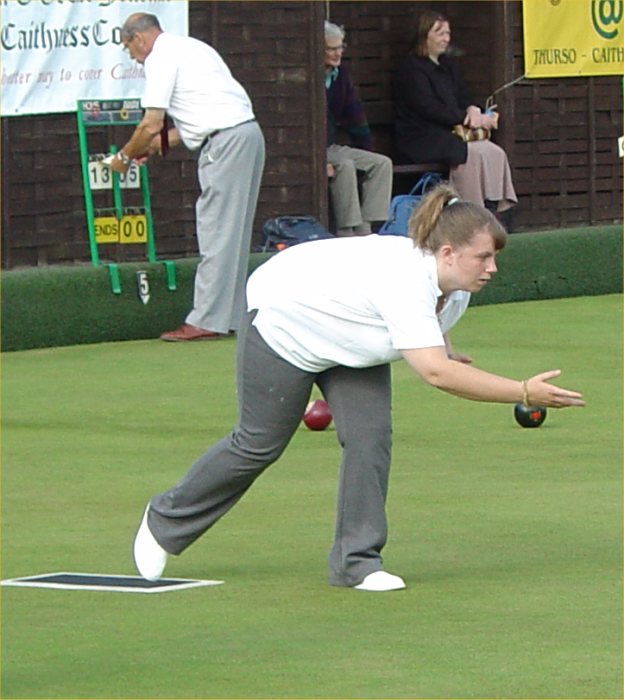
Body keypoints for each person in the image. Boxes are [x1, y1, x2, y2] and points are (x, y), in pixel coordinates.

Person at [132, 183, 584, 592]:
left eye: (494, 257)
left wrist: (444, 342)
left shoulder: (458, 287)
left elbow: (434, 328)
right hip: (284, 320)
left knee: (370, 437)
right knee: (258, 444)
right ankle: (164, 520)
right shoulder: (405, 279)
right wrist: (523, 391)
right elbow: (436, 374)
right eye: (483, 257)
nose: (492, 268)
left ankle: (356, 563)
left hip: (352, 340)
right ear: (446, 253)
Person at [109, 13, 265, 341]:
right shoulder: (193, 47)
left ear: (138, 38)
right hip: (247, 135)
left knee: (216, 231)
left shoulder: (159, 58)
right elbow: (199, 117)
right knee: (232, 234)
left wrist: (123, 158)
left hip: (224, 144)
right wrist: (152, 147)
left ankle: (205, 320)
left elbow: (151, 122)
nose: (134, 58)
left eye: (129, 49)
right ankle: (233, 316)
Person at [394, 10, 517, 229]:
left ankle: (500, 211)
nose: (446, 38)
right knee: (468, 152)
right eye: (439, 33)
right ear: (424, 36)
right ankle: (469, 212)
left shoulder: (448, 65)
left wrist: (473, 110)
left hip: (451, 130)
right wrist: (467, 118)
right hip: (420, 135)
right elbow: (428, 108)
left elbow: (463, 97)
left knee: (494, 152)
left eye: (448, 33)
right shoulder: (411, 69)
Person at [325, 21, 393, 237]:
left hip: (332, 145)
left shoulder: (341, 75)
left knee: (381, 163)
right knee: (343, 165)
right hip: (316, 149)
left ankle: (366, 228)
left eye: (340, 48)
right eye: (332, 49)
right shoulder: (310, 78)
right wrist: (319, 162)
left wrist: (367, 150)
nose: (338, 53)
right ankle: (346, 230)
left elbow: (355, 117)